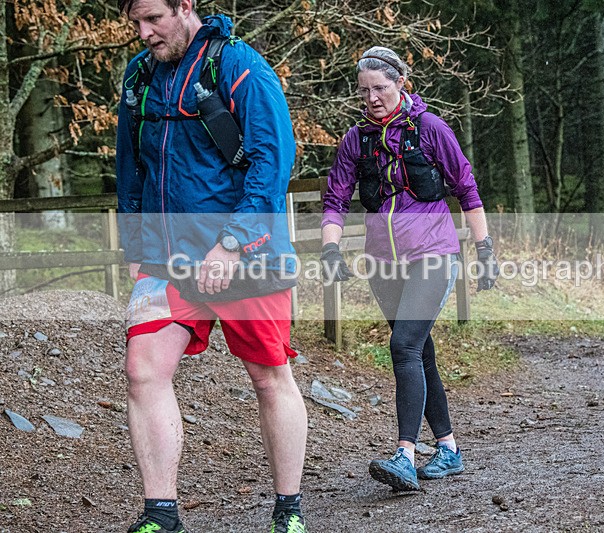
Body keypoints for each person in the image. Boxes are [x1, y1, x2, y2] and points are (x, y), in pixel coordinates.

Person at [115, 0, 307, 531]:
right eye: (135, 22)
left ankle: (288, 509)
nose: (144, 32)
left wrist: (233, 243)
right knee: (143, 369)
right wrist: (135, 242)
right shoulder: (139, 75)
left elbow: (273, 159)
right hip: (167, 257)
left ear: (185, 5)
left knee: (269, 377)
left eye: (154, 18)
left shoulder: (238, 64)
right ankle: (162, 513)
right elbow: (130, 159)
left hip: (245, 254)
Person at [320, 46, 498, 491]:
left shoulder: (430, 128)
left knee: (403, 346)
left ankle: (405, 454)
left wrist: (485, 249)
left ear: (401, 83)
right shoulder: (355, 140)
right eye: (364, 91)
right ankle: (450, 450)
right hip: (383, 263)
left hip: (433, 254)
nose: (372, 98)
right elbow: (336, 199)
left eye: (380, 88)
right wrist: (330, 250)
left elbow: (467, 189)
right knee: (419, 352)